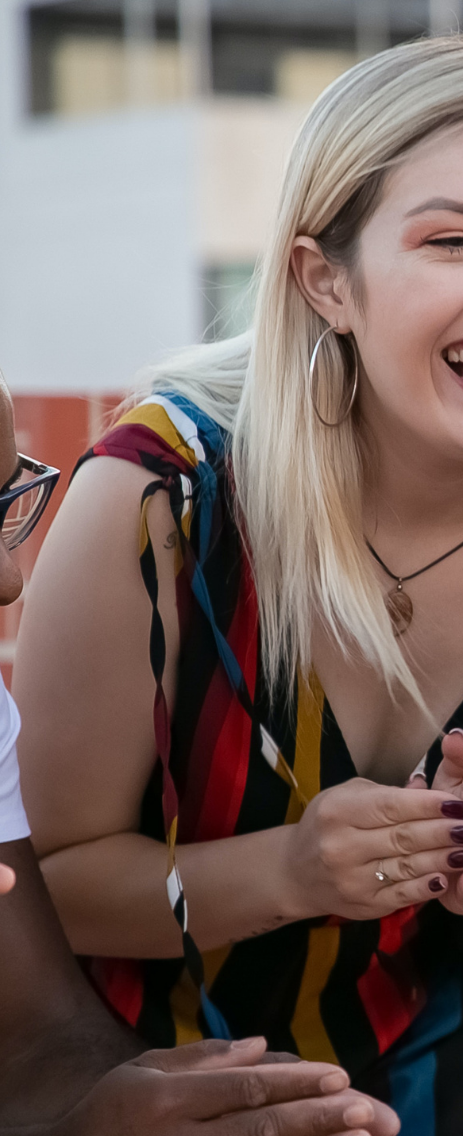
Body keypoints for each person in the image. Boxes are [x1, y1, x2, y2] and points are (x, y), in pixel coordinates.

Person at [12, 36, 463, 1133]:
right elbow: (47, 894)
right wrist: (287, 868)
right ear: (324, 278)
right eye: (452, 239)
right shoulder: (161, 502)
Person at [0, 378, 399, 1136]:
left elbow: (33, 1035)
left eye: (2, 505)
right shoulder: (169, 489)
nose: (10, 580)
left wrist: (174, 1101)